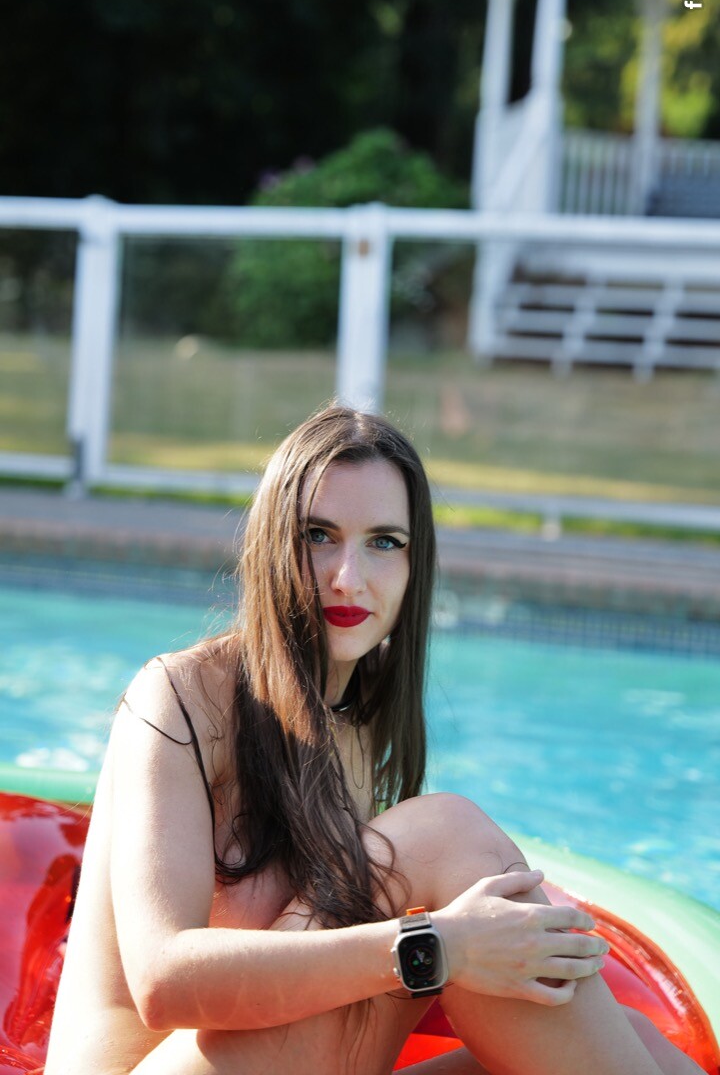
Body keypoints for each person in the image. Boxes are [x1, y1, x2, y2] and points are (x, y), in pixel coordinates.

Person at [45, 404, 703, 1075]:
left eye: (384, 542)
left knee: (633, 1037)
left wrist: (490, 954)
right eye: (318, 536)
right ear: (272, 544)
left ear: (416, 566)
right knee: (444, 833)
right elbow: (164, 982)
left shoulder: (360, 720)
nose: (348, 577)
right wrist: (439, 946)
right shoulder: (181, 698)